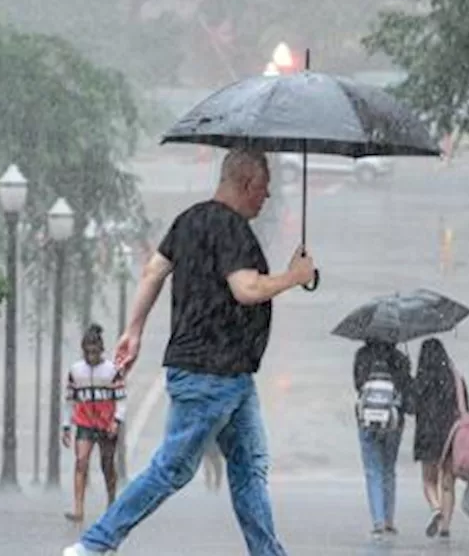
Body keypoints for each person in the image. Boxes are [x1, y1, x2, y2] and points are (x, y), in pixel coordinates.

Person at [63, 149, 316, 556]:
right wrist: (293, 276)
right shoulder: (232, 229)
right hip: (210, 374)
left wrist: (134, 329)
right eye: (264, 191)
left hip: (232, 377)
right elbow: (246, 290)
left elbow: (153, 271)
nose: (265, 200)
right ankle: (94, 544)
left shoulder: (188, 220)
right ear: (247, 183)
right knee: (173, 468)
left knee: (250, 468)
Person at [62, 324, 126, 523]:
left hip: (106, 424)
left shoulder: (111, 371)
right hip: (84, 422)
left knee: (107, 463)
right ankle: (78, 509)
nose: (92, 356)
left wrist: (117, 421)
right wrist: (66, 426)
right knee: (81, 461)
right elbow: (69, 400)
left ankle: (111, 502)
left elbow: (121, 398)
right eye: (88, 352)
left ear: (101, 350)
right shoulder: (75, 371)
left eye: (95, 352)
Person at [352, 340, 414, 538]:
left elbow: (358, 385)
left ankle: (378, 521)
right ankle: (389, 520)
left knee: (373, 470)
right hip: (393, 422)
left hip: (368, 420)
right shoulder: (400, 358)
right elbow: (406, 391)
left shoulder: (362, 355)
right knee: (388, 469)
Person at [414, 338, 469, 539]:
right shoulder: (456, 379)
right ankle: (446, 527)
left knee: (429, 479)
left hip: (426, 434)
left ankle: (436, 509)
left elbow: (412, 407)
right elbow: (466, 408)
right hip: (450, 434)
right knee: (448, 481)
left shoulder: (420, 380)